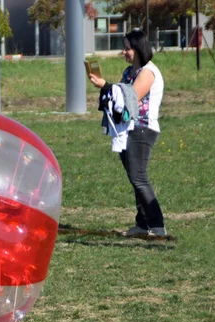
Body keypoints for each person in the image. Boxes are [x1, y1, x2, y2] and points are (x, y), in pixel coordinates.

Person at [88, 29, 167, 237]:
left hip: (143, 129)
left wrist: (105, 84)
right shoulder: (128, 72)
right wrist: (105, 90)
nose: (124, 52)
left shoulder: (148, 72)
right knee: (135, 179)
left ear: (138, 48)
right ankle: (142, 225)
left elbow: (132, 97)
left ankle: (157, 226)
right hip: (127, 129)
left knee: (138, 177)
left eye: (127, 48)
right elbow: (119, 99)